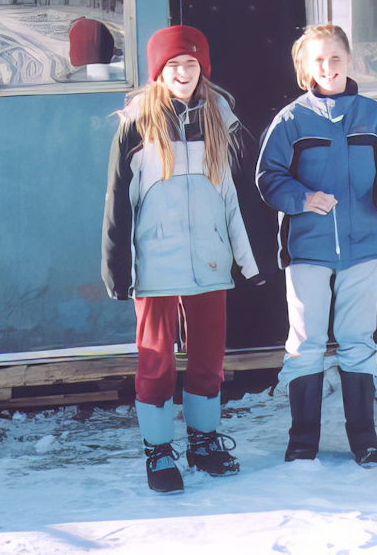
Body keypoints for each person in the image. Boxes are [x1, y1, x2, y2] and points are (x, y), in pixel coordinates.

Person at [102, 25, 260, 494]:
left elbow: (233, 198)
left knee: (209, 358)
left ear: (203, 69)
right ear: (159, 72)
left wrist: (247, 262)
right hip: (157, 265)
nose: (183, 72)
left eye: (191, 64)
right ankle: (158, 448)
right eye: (173, 65)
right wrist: (115, 263)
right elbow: (117, 199)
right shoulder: (137, 124)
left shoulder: (221, 119)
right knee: (156, 362)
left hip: (210, 263)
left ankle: (204, 440)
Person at [255, 23, 377, 466]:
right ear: (304, 68)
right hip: (308, 249)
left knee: (357, 339)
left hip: (365, 248)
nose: (328, 67)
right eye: (318, 60)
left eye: (336, 58)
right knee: (306, 341)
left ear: (349, 60)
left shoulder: (375, 115)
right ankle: (303, 439)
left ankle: (363, 437)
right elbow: (269, 178)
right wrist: (302, 199)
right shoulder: (290, 120)